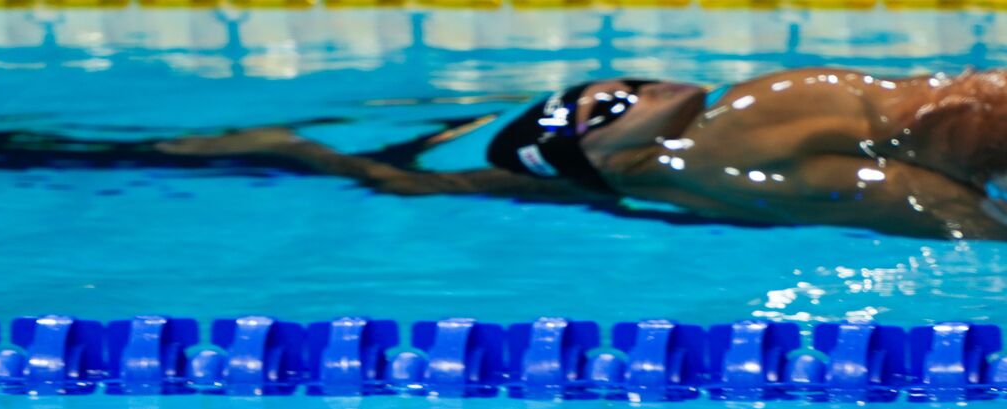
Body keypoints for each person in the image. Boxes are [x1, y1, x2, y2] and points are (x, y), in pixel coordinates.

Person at [159, 69, 1007, 240]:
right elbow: (941, 187)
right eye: (606, 109)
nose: (627, 89)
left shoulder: (692, 173)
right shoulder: (742, 133)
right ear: (602, 156)